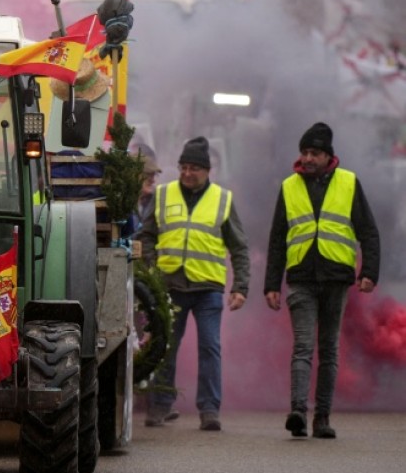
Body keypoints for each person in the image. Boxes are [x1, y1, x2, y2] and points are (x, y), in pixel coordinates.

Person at [263, 122, 380, 439]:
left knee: (328, 350)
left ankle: (323, 418)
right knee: (303, 347)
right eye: (304, 152)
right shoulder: (289, 186)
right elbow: (277, 238)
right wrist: (271, 284)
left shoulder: (349, 183)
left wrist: (369, 272)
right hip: (301, 277)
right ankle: (298, 411)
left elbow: (367, 231)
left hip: (337, 278)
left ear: (329, 156)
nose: (308, 158)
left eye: (314, 153)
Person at [139, 136, 250, 431]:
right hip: (169, 286)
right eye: (183, 167)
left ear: (207, 171)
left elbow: (239, 246)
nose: (187, 173)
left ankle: (210, 410)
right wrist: (151, 268)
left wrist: (241, 287)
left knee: (210, 347)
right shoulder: (162, 195)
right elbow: (146, 235)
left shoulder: (222, 200)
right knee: (165, 347)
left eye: (194, 168)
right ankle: (160, 406)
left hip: (208, 288)